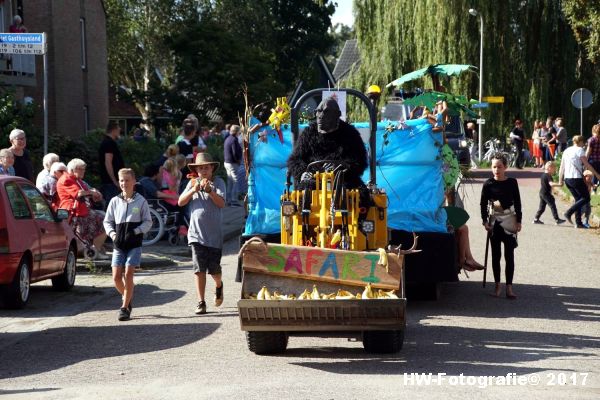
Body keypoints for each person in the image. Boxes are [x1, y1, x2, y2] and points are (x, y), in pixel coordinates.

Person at [178, 153, 225, 315]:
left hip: (214, 236)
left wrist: (210, 191)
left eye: (206, 167)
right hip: (196, 235)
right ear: (196, 170)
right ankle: (201, 301)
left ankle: (219, 285)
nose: (204, 170)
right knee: (199, 269)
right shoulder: (192, 183)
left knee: (214, 271)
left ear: (212, 168)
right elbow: (180, 201)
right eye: (201, 168)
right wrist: (193, 190)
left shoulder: (218, 182)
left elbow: (221, 203)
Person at [287, 96, 368, 191]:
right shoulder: (309, 133)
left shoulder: (350, 134)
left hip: (343, 180)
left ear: (337, 115)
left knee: (359, 194)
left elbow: (360, 162)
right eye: (319, 111)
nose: (320, 116)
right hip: (313, 179)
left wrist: (341, 169)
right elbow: (294, 160)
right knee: (304, 192)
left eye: (326, 112)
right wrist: (303, 172)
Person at [103, 168, 152, 321]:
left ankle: (124, 308)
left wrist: (136, 231)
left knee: (129, 272)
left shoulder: (140, 201)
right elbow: (107, 221)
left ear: (133, 181)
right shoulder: (114, 201)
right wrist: (112, 234)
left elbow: (148, 221)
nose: (124, 183)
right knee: (116, 277)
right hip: (119, 244)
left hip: (134, 243)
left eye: (127, 180)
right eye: (122, 180)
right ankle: (127, 297)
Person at [480, 153, 522, 299]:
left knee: (509, 255)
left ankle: (509, 288)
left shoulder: (512, 182)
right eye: (494, 167)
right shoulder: (488, 184)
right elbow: (483, 203)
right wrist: (484, 221)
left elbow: (517, 202)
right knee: (495, 255)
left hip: (510, 220)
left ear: (505, 167)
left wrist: (519, 221)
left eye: (499, 167)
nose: (496, 170)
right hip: (494, 222)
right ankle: (497, 286)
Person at [57, 158, 108, 258]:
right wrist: (91, 192)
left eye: (84, 169)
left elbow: (86, 191)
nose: (84, 171)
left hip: (82, 210)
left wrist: (95, 194)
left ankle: (94, 248)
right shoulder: (66, 179)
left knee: (106, 218)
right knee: (106, 220)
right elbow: (78, 193)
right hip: (73, 212)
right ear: (73, 169)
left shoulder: (77, 180)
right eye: (81, 169)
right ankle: (95, 250)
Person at [558, 135, 600, 228]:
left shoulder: (567, 150)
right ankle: (568, 213)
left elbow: (562, 167)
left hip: (567, 179)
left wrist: (560, 180)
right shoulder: (580, 150)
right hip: (576, 178)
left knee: (578, 199)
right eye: (583, 142)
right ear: (580, 142)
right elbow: (587, 164)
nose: (584, 144)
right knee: (586, 198)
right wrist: (597, 175)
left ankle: (578, 223)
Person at [98, 121, 124, 205]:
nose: (120, 130)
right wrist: (114, 181)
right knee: (112, 205)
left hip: (111, 181)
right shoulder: (108, 143)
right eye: (118, 128)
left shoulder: (109, 142)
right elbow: (108, 163)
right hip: (110, 182)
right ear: (114, 130)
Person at [224, 124, 243, 206]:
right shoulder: (234, 140)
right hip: (232, 163)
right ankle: (233, 200)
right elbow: (235, 152)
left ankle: (228, 200)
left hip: (227, 162)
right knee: (236, 181)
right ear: (237, 131)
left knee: (230, 182)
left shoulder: (228, 138)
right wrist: (238, 161)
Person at [586, 124, 600, 191]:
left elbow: (588, 151)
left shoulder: (591, 140)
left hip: (592, 160)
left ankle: (593, 189)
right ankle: (596, 187)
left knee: (592, 175)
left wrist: (584, 160)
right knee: (598, 175)